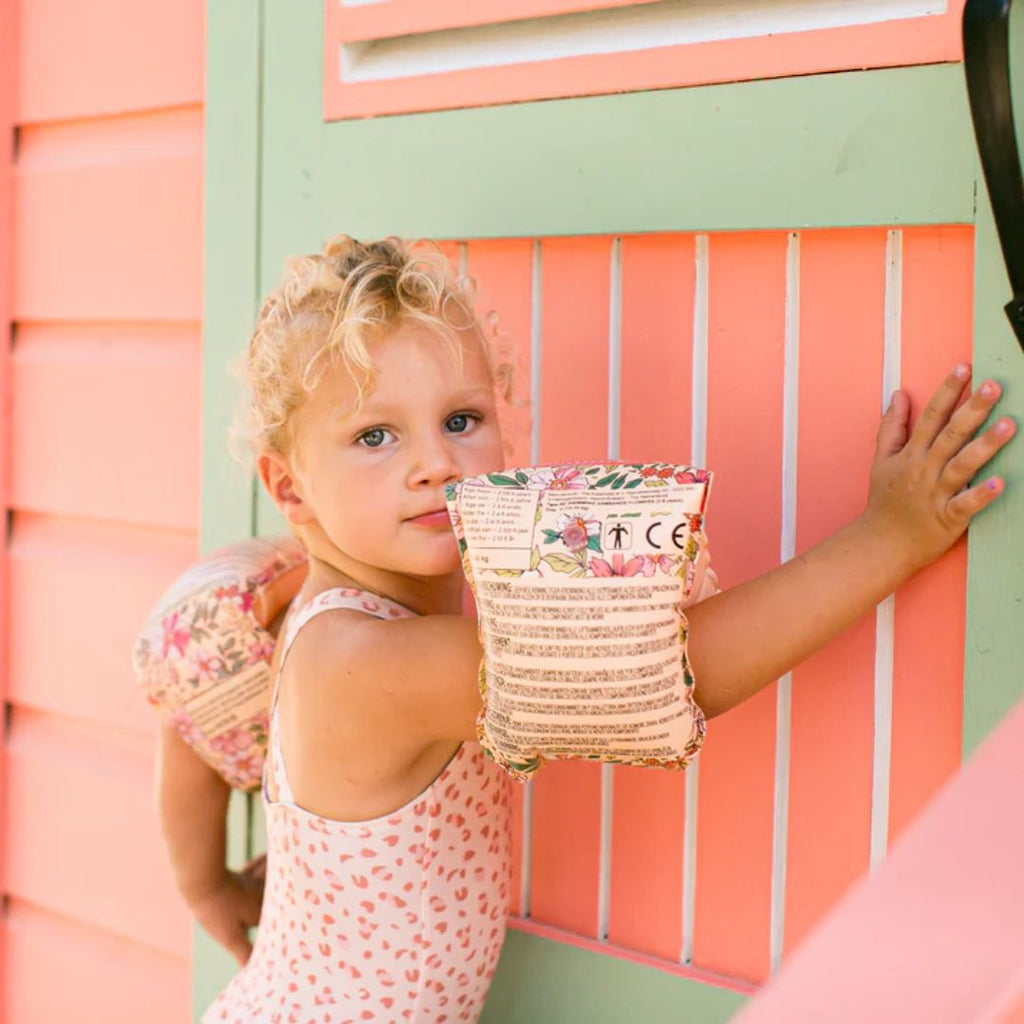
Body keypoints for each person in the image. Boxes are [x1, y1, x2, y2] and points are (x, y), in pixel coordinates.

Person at [202, 235, 1014, 1022]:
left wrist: (203, 877)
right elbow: (667, 672)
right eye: (374, 436)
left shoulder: (301, 593)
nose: (436, 464)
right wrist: (890, 537)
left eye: (460, 420)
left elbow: (187, 670)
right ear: (292, 489)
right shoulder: (366, 660)